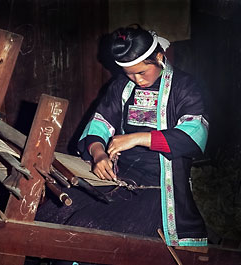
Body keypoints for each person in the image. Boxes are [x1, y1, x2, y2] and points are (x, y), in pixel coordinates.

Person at [35, 25, 209, 264]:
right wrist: (98, 155)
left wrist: (136, 138)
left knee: (87, 230)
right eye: (128, 73)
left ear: (159, 57)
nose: (136, 79)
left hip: (159, 188)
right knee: (49, 216)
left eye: (141, 72)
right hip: (118, 178)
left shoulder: (184, 87)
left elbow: (194, 136)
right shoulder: (122, 87)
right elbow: (98, 126)